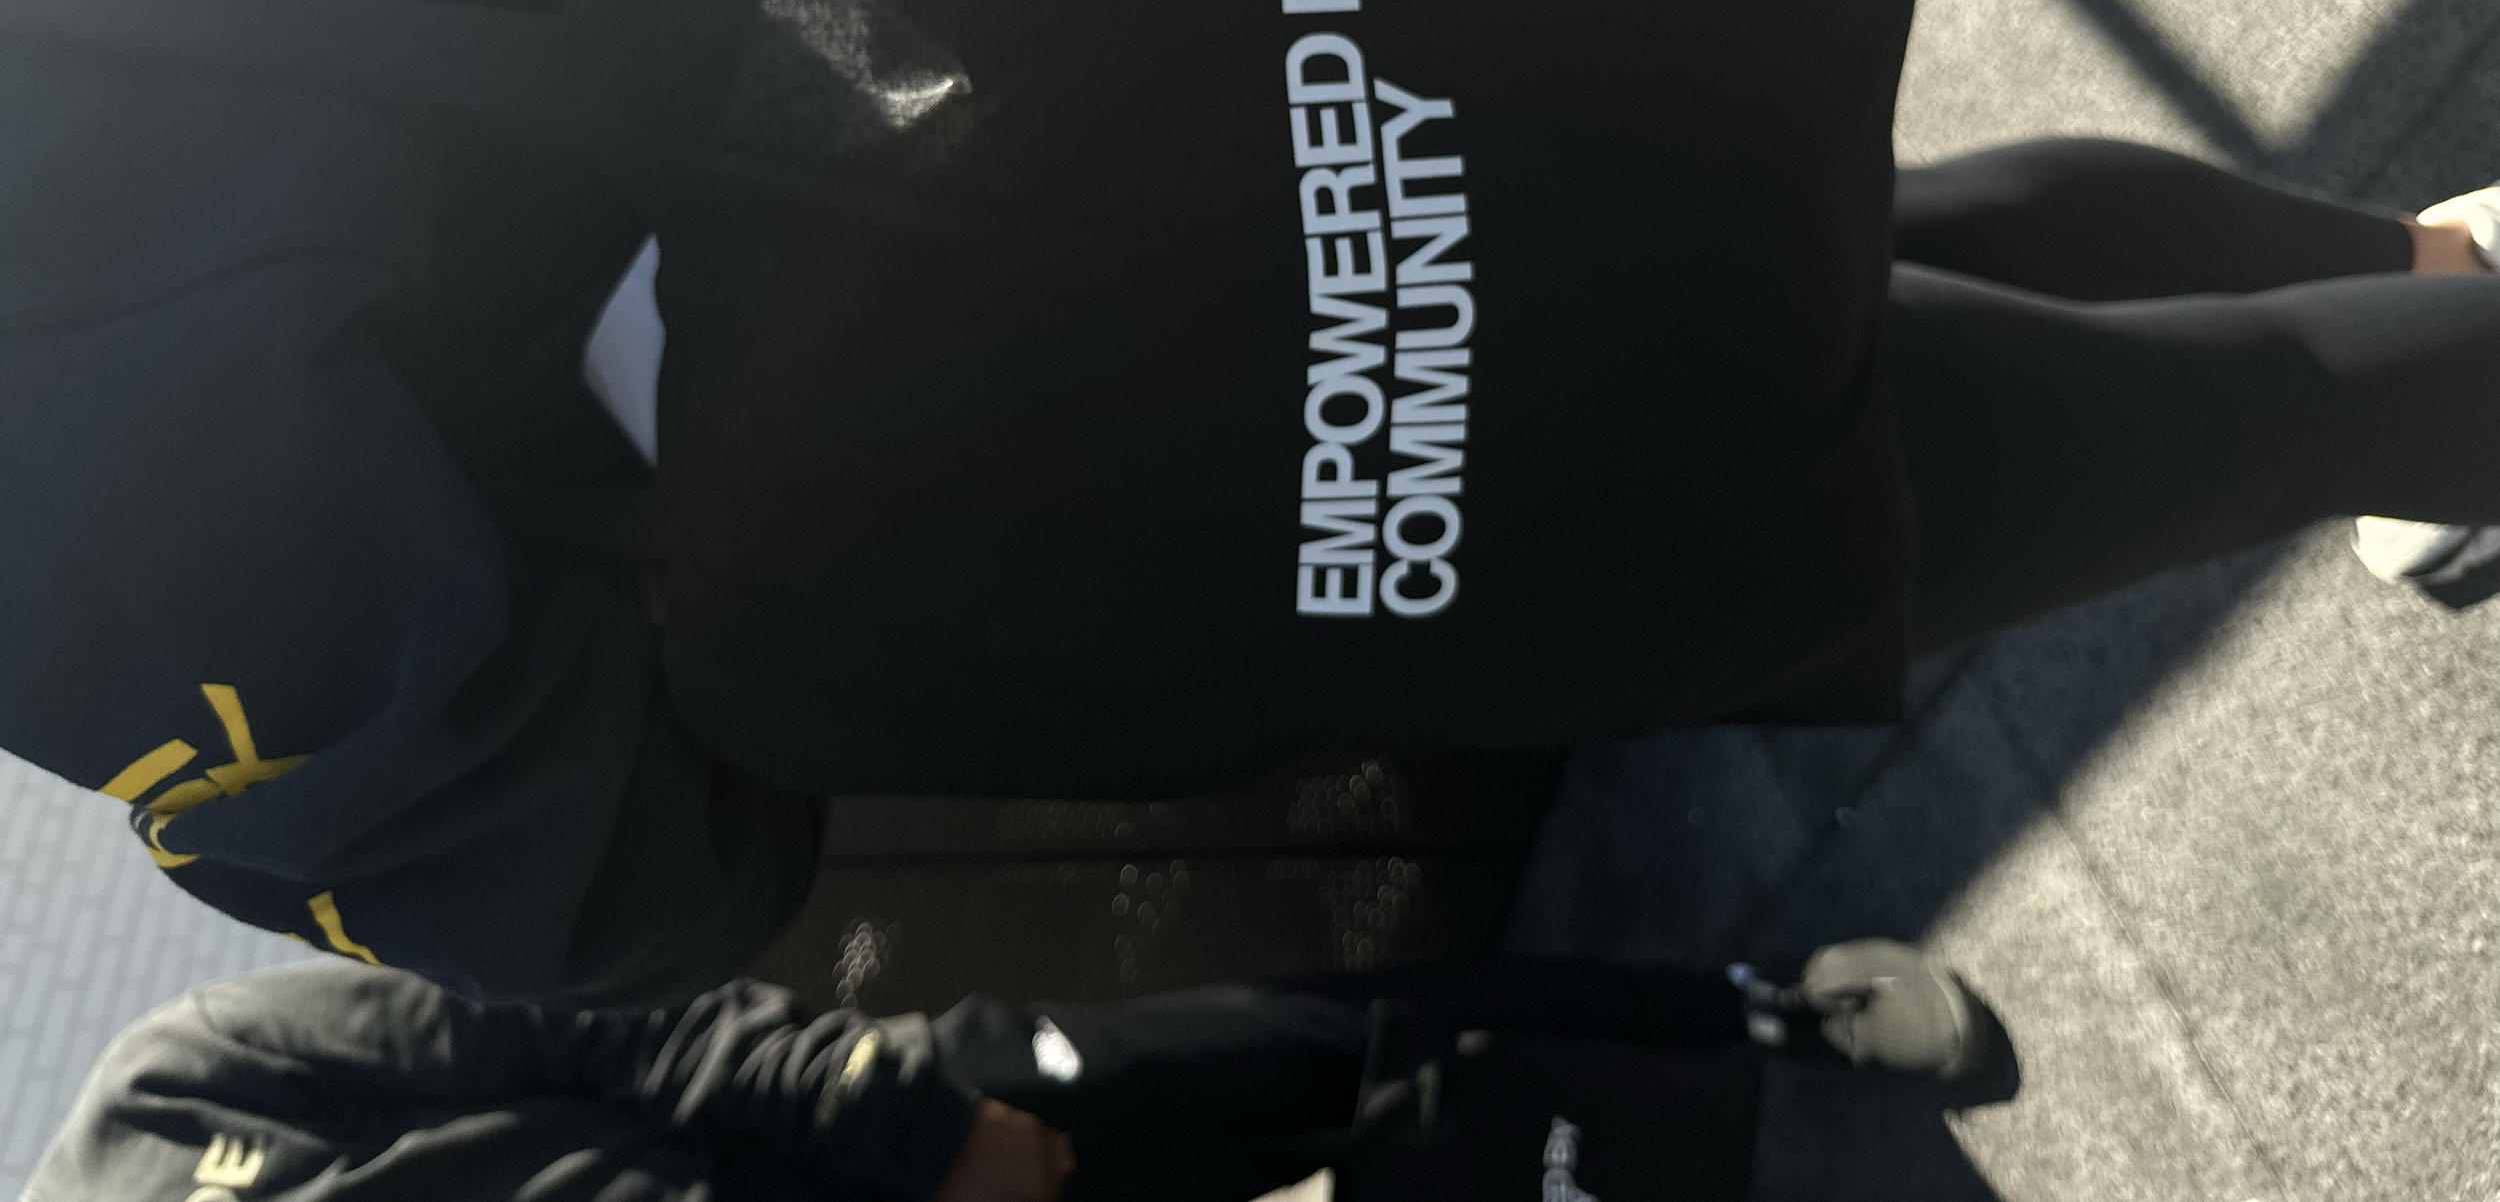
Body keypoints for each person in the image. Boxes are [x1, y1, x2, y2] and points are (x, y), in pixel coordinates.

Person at [7, 0, 2500, 1006]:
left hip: (956, 420)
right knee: (1798, 245)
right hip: (870, 1)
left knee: (1781, 501)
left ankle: (2442, 383)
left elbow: (544, 838)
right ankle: (2432, 279)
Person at [23, 942, 1991, 1202]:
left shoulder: (180, 1092)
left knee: (1320, 1041)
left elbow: (596, 1014)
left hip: (891, 1139)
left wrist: (929, 1125)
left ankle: (1750, 1007)